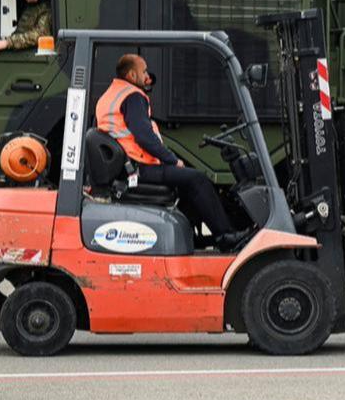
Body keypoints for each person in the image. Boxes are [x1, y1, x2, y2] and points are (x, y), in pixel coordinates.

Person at [95, 53, 246, 251]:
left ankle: (192, 237)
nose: (147, 76)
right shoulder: (133, 96)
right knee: (198, 179)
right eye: (144, 71)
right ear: (132, 75)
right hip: (139, 168)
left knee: (186, 183)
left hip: (126, 167)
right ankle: (225, 236)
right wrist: (172, 160)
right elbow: (144, 137)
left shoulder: (110, 95)